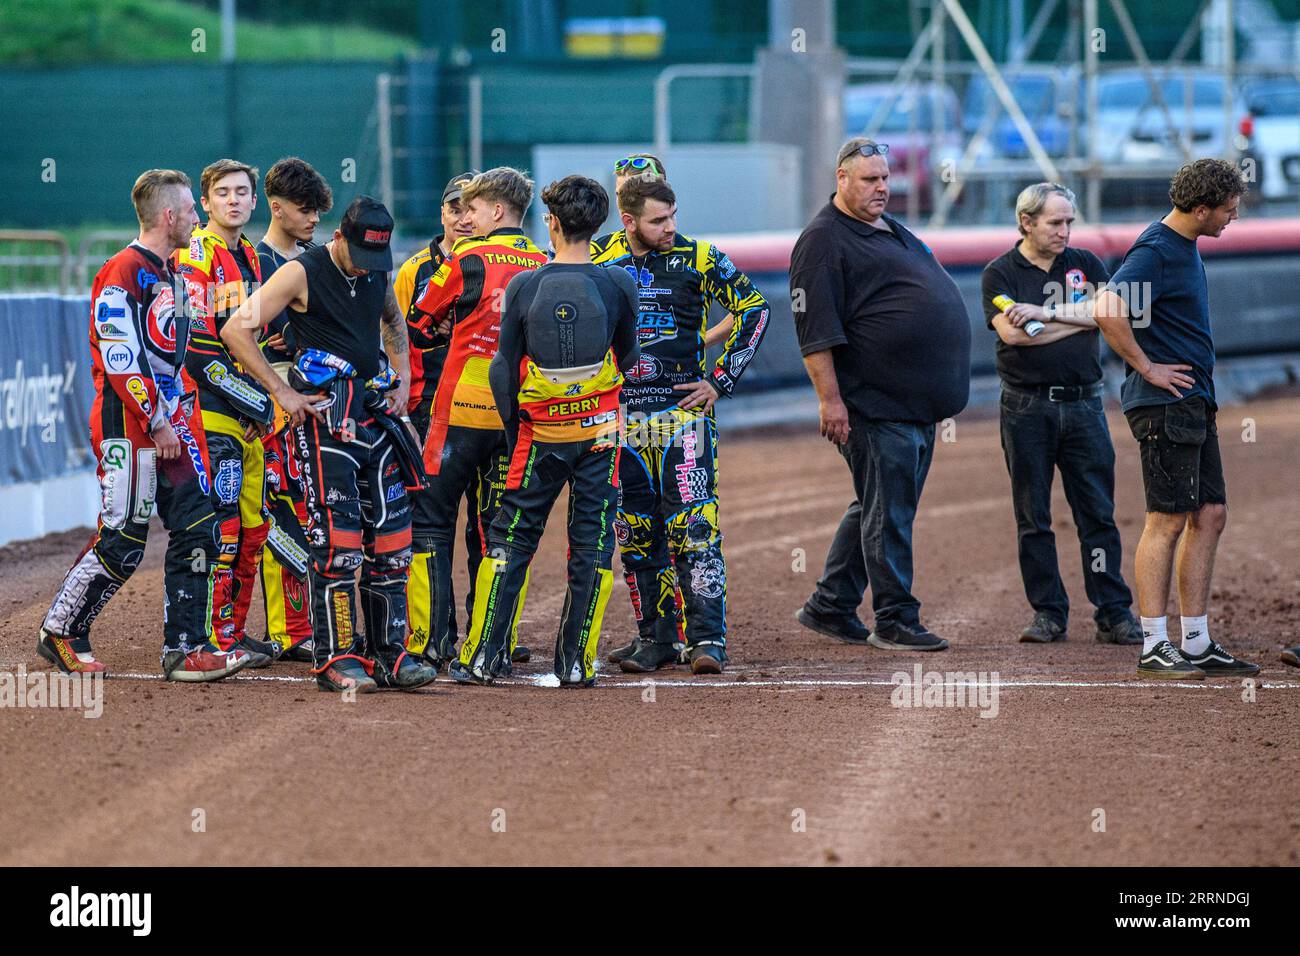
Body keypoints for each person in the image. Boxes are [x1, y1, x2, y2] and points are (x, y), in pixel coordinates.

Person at [38, 169, 252, 682]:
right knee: (125, 537)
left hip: (170, 422)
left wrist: (177, 417)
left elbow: (175, 360)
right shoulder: (122, 270)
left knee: (199, 522)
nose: (200, 219)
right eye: (192, 210)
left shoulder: (174, 272)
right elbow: (120, 357)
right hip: (127, 423)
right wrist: (157, 421)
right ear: (170, 216)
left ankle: (186, 648)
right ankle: (61, 631)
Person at [222, 196, 437, 694]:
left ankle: (391, 654)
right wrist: (281, 391)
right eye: (361, 254)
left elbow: (393, 320)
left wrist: (402, 376)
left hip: (375, 415)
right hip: (324, 420)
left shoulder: (378, 270)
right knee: (336, 543)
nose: (368, 267)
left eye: (376, 259)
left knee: (391, 540)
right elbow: (237, 328)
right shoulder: (301, 271)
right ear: (340, 238)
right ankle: (336, 657)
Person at [454, 175, 639, 685]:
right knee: (594, 540)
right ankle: (576, 663)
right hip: (601, 434)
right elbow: (630, 358)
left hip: (539, 434)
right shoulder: (619, 282)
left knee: (510, 538)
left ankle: (481, 658)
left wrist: (516, 431)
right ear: (599, 226)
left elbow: (501, 367)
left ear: (551, 223)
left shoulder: (526, 284)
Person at [791, 137, 970, 652]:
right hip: (874, 404)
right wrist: (831, 401)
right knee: (887, 512)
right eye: (870, 179)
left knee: (877, 505)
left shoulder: (888, 226)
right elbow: (815, 330)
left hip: (914, 406)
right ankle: (894, 619)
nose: (882, 188)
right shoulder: (823, 240)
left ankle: (831, 604)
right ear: (841, 179)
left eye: (886, 178)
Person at [592, 174, 771, 675]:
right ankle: (656, 638)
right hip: (621, 422)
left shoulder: (701, 257)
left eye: (673, 216)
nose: (670, 227)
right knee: (635, 531)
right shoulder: (599, 261)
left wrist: (719, 380)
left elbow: (755, 309)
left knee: (694, 528)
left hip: (684, 420)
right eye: (658, 220)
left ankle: (708, 639)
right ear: (628, 221)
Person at [1093, 159, 1258, 679]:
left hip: (1192, 402)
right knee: (1165, 520)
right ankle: (1153, 645)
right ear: (1202, 208)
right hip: (1165, 404)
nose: (1233, 217)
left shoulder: (1181, 247)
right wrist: (1146, 366)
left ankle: (1195, 641)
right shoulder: (1157, 249)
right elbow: (1105, 306)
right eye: (1228, 210)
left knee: (1209, 514)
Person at [981, 182, 1142, 645]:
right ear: (1026, 222)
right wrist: (1078, 316)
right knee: (1033, 515)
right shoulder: (999, 274)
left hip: (1085, 404)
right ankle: (1048, 612)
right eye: (1055, 222)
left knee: (1098, 513)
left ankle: (1113, 611)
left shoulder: (1087, 263)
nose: (1065, 230)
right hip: (1025, 406)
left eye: (1069, 221)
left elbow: (1110, 316)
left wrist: (1045, 315)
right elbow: (1014, 338)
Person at [408, 168, 549, 671]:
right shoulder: (544, 262)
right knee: (500, 531)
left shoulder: (466, 258)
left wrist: (449, 322)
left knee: (429, 522)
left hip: (458, 413)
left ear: (496, 211)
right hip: (516, 418)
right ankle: (494, 645)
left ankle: (428, 642)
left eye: (472, 208)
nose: (464, 217)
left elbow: (419, 325)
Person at [173, 159, 279, 668]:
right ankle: (213, 640)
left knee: (255, 526)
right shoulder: (197, 254)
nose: (234, 200)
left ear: (254, 202)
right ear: (207, 201)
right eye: (223, 193)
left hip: (246, 411)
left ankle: (232, 634)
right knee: (225, 525)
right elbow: (196, 346)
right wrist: (255, 395)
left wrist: (259, 395)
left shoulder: (252, 260)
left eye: (242, 192)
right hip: (209, 409)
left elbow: (249, 339)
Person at [253, 156, 334, 663]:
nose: (312, 220)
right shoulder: (253, 261)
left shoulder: (317, 259)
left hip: (312, 397)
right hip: (270, 399)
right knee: (279, 508)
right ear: (277, 207)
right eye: (305, 211)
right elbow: (232, 333)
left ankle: (308, 624)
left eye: (318, 212)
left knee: (310, 507)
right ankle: (288, 629)